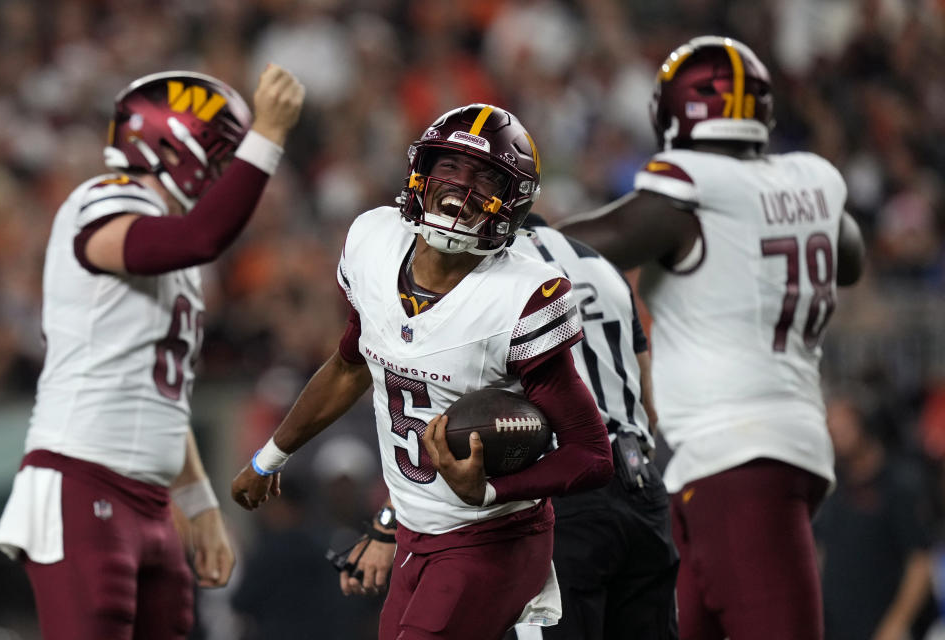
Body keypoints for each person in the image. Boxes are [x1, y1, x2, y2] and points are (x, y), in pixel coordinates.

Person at [232, 103, 614, 640]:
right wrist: (272, 456)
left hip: (493, 537)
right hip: (416, 535)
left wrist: (488, 492)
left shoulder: (522, 294)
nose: (462, 185)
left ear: (513, 201)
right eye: (451, 167)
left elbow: (592, 454)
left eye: (486, 176)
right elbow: (349, 367)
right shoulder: (375, 242)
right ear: (422, 172)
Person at [559, 36, 866, 640]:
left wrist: (514, 242)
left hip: (739, 457)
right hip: (741, 455)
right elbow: (848, 257)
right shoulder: (812, 180)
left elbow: (611, 234)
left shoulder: (693, 188)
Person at [0, 65, 305, 640]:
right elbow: (200, 237)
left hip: (154, 503)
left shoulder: (175, 261)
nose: (223, 174)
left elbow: (161, 394)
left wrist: (201, 503)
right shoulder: (102, 199)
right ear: (173, 142)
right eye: (221, 155)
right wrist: (268, 137)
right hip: (83, 477)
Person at [338, 214, 679, 640]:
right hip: (641, 489)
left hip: (561, 489)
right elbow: (649, 406)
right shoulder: (600, 265)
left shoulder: (491, 276)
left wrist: (388, 523)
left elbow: (439, 417)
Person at [815, 395, 935, 640]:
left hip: (885, 627)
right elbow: (819, 553)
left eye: (842, 427)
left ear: (863, 425)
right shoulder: (831, 486)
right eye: (830, 429)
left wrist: (894, 627)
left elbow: (920, 564)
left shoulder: (899, 484)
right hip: (836, 628)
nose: (835, 436)